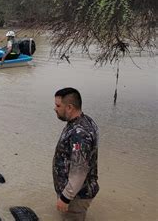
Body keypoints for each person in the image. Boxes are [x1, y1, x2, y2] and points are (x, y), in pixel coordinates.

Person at [53, 87, 99, 221]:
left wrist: (65, 198)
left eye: (58, 105)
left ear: (69, 108)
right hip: (76, 192)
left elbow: (79, 171)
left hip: (76, 196)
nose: (55, 108)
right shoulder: (85, 121)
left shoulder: (80, 134)